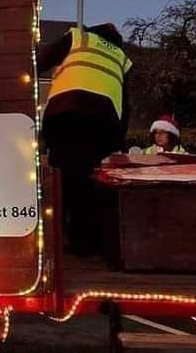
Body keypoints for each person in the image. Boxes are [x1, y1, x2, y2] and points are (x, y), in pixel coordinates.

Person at [38, 23, 131, 255]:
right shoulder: (121, 57)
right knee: (89, 181)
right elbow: (127, 103)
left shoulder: (79, 38)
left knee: (63, 177)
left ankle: (55, 240)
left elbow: (39, 60)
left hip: (66, 115)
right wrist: (120, 141)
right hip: (105, 124)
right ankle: (85, 244)